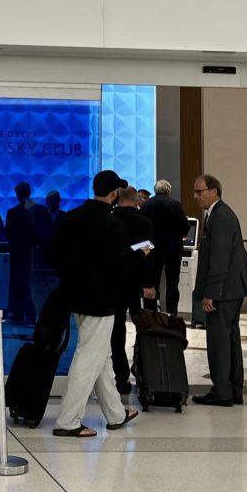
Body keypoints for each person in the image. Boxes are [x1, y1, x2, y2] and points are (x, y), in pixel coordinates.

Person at [49, 170, 143, 437]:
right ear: (114, 194)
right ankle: (68, 421)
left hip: (75, 298)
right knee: (89, 358)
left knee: (101, 356)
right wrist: (139, 254)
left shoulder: (72, 218)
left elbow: (53, 253)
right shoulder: (113, 225)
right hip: (101, 300)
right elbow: (122, 265)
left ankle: (115, 413)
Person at [191, 174, 247, 406]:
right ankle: (233, 390)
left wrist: (211, 293)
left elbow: (220, 258)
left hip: (225, 290)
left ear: (214, 191)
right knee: (229, 340)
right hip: (231, 288)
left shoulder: (221, 216)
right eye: (195, 192)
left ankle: (223, 391)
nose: (196, 196)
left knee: (219, 341)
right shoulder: (219, 214)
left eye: (199, 191)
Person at [109, 185, 155, 399]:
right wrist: (148, 284)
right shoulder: (143, 222)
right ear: (136, 198)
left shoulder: (111, 219)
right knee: (141, 324)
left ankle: (121, 376)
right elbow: (146, 254)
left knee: (117, 330)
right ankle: (144, 369)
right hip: (135, 282)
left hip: (115, 282)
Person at [142, 180, 189, 316]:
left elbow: (142, 225)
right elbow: (185, 226)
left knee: (152, 282)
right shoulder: (175, 204)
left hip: (152, 249)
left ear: (155, 190)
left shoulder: (147, 204)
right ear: (168, 191)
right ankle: (172, 314)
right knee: (172, 283)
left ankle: (151, 314)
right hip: (172, 248)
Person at [3, 182, 39, 324]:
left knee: (17, 283)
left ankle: (18, 313)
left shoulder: (12, 212)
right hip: (31, 254)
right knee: (28, 284)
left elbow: (7, 233)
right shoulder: (37, 210)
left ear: (17, 194)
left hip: (16, 253)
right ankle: (30, 314)